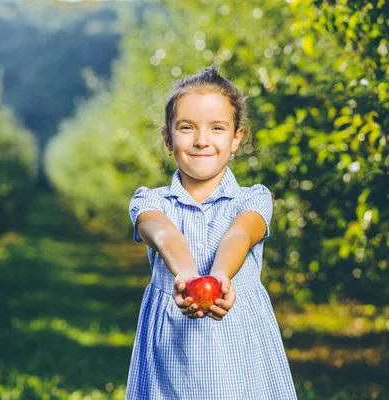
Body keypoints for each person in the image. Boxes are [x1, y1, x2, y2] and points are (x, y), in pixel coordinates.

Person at [126, 65, 298, 399]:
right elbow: (163, 234)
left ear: (236, 138)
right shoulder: (150, 200)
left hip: (240, 347)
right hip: (171, 352)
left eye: (217, 128)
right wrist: (187, 275)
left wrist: (219, 276)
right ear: (167, 137)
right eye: (187, 128)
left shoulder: (254, 198)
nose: (202, 140)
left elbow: (240, 235)